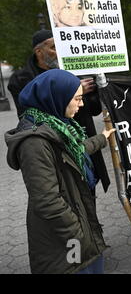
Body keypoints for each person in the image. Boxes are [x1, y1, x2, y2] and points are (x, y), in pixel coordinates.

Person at [5, 69, 116, 273]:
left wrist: (102, 137)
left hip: (77, 224)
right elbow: (47, 201)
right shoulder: (34, 143)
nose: (81, 104)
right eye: (77, 99)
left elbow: (75, 150)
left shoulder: (57, 125)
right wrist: (80, 233)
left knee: (89, 263)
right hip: (65, 238)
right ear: (57, 98)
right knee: (78, 265)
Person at [8, 30, 111, 193]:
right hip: (56, 151)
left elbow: (94, 110)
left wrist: (94, 91)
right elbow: (26, 116)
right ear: (39, 51)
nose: (59, 52)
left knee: (87, 192)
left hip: (83, 144)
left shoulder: (74, 70)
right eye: (54, 47)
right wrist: (70, 93)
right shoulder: (20, 79)